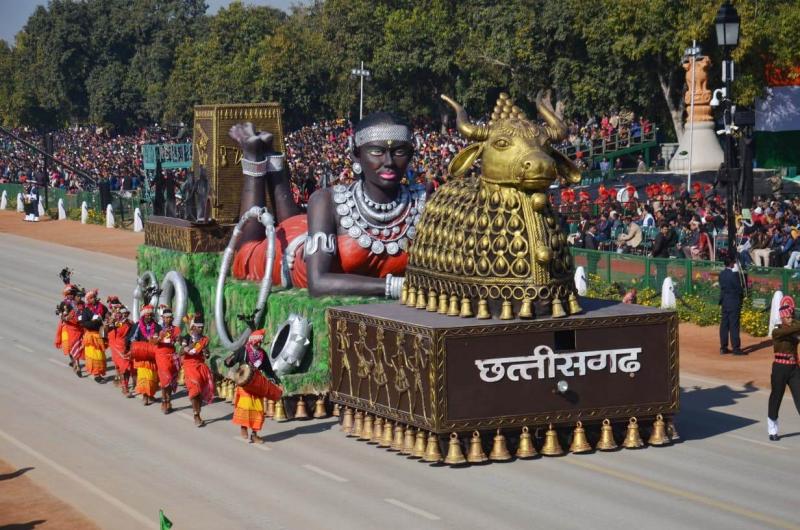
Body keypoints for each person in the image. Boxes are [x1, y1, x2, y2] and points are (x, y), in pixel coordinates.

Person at [230, 112, 426, 298]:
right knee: (246, 255)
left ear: (411, 155)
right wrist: (400, 287)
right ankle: (254, 156)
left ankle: (274, 161)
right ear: (356, 154)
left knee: (292, 222)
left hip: (305, 228)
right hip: (291, 259)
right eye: (377, 151)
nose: (389, 162)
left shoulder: (423, 201)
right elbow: (318, 283)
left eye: (399, 151)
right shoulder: (328, 200)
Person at [229, 329, 281, 443]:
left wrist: (276, 381)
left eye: (260, 342)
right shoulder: (243, 350)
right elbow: (230, 361)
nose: (259, 344)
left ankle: (254, 434)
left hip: (257, 384)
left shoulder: (262, 354)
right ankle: (243, 427)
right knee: (246, 406)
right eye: (258, 342)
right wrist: (228, 361)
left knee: (258, 410)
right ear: (253, 341)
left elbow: (268, 370)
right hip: (245, 385)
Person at [767, 295, 800, 441]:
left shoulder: (795, 329)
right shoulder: (777, 331)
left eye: (792, 316)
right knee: (776, 397)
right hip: (780, 368)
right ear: (782, 318)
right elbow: (787, 331)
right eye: (787, 317)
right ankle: (772, 429)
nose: (790, 319)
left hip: (793, 368)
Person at [181, 314, 215, 427]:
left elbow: (207, 354)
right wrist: (190, 346)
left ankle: (198, 411)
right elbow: (182, 351)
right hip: (189, 365)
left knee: (199, 392)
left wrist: (206, 352)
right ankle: (196, 415)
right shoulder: (186, 337)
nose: (201, 329)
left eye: (202, 327)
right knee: (194, 390)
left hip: (200, 366)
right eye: (199, 327)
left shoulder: (204, 339)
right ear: (193, 327)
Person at [128, 305, 160, 405]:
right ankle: (145, 396)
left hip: (152, 355)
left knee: (153, 377)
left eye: (150, 315)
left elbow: (160, 338)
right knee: (144, 376)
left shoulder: (157, 326)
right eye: (147, 315)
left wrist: (155, 339)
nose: (149, 317)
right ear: (143, 315)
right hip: (142, 355)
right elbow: (132, 338)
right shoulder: (137, 325)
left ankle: (151, 394)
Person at [155, 307, 181, 414]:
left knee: (171, 380)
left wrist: (180, 340)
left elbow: (179, 338)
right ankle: (164, 401)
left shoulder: (176, 329)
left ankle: (168, 400)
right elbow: (153, 342)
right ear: (162, 318)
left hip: (172, 356)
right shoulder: (158, 328)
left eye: (170, 318)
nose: (168, 320)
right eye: (166, 318)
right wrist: (158, 338)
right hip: (161, 355)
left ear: (173, 318)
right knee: (165, 380)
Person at [54, 284, 84, 377]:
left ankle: (75, 361)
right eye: (68, 294)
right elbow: (61, 315)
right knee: (70, 346)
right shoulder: (65, 304)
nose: (69, 295)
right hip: (68, 328)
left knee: (79, 347)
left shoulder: (82, 304)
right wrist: (67, 318)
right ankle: (77, 365)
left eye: (71, 293)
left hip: (80, 328)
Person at [80, 289, 108, 383]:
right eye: (90, 298)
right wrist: (94, 321)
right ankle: (96, 375)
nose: (93, 299)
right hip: (91, 336)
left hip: (100, 332)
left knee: (100, 355)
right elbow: (84, 323)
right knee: (93, 355)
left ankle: (100, 372)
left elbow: (107, 317)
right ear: (88, 300)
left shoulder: (102, 307)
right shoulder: (86, 310)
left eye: (93, 297)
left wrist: (108, 320)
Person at [718, 256, 744, 356]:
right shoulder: (734, 275)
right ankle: (736, 348)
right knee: (734, 325)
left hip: (725, 301)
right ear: (731, 264)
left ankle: (723, 348)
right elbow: (739, 288)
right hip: (733, 301)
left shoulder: (722, 274)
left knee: (724, 325)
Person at [107, 306, 134, 398]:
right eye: (123, 313)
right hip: (116, 347)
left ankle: (123, 384)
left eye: (126, 313)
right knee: (122, 367)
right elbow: (106, 331)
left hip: (125, 347)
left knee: (126, 368)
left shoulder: (130, 323)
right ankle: (125, 387)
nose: (125, 314)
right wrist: (110, 323)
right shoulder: (116, 323)